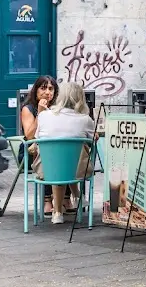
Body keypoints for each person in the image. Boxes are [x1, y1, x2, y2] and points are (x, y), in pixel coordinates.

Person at [34, 82, 97, 225]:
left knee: (57, 159)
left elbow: (37, 138)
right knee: (73, 156)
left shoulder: (44, 116)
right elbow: (93, 139)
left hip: (46, 169)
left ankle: (58, 213)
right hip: (76, 170)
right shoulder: (85, 120)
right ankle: (76, 196)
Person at [19, 76, 67, 214]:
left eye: (51, 89)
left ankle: (66, 198)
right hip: (30, 152)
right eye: (43, 88)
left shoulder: (58, 108)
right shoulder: (28, 109)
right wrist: (40, 113)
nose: (47, 92)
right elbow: (29, 135)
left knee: (66, 154)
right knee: (49, 153)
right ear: (36, 90)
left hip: (55, 149)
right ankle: (48, 200)